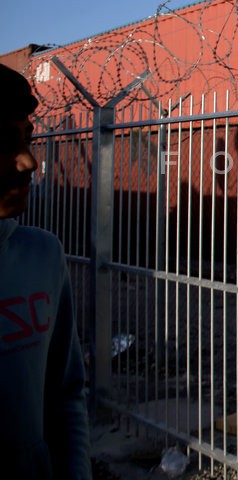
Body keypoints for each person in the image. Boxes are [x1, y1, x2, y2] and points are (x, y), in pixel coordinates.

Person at [0, 63, 92, 479]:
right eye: (2, 144)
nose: (29, 162)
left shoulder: (43, 255)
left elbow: (66, 393)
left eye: (27, 139)